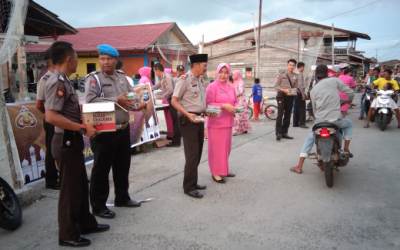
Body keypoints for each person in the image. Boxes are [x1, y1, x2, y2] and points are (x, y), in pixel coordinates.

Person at [44, 41, 109, 247]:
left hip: (71, 140)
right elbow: (51, 116)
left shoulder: (64, 80)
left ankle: (85, 223)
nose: (76, 61)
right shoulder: (56, 82)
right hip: (66, 140)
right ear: (69, 59)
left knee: (80, 185)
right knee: (70, 191)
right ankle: (68, 234)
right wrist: (81, 128)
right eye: (75, 57)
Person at [85, 44, 142, 219]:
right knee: (101, 170)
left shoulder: (122, 78)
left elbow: (131, 96)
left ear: (115, 60)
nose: (106, 62)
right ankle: (99, 206)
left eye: (109, 59)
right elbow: (90, 101)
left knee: (122, 166)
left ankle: (122, 197)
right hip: (104, 132)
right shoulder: (94, 79)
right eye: (102, 58)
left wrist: (137, 103)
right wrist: (115, 100)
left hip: (122, 129)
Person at [290, 64, 354, 174]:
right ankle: (346, 149)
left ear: (316, 75)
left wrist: (318, 118)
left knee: (309, 139)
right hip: (336, 121)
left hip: (320, 122)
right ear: (327, 73)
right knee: (348, 123)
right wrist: (347, 101)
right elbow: (351, 93)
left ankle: (299, 166)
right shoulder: (334, 81)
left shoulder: (313, 90)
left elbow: (314, 109)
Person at [171, 54, 208, 199]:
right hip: (188, 120)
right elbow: (174, 101)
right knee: (192, 155)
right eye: (204, 65)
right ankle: (189, 187)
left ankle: (193, 181)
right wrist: (187, 114)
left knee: (197, 153)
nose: (205, 68)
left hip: (199, 119)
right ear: (197, 65)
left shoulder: (200, 80)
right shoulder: (184, 80)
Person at [206, 63, 237, 183]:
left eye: (226, 72)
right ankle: (215, 172)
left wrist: (236, 108)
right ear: (217, 72)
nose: (223, 75)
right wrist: (223, 106)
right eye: (221, 72)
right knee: (217, 149)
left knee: (226, 149)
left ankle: (223, 169)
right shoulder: (212, 87)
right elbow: (208, 106)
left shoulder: (231, 87)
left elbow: (234, 102)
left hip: (228, 122)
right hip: (216, 124)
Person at [35, 50, 59, 190]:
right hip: (51, 121)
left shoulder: (61, 78)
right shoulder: (45, 80)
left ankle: (68, 176)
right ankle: (51, 180)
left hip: (63, 120)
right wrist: (50, 114)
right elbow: (39, 104)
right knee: (51, 150)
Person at [154, 62, 181, 146]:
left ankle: (176, 142)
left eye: (155, 71)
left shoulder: (167, 77)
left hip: (173, 99)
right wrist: (147, 88)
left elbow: (170, 90)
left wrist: (162, 96)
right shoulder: (162, 78)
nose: (155, 73)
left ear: (158, 70)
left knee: (175, 121)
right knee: (173, 120)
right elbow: (157, 86)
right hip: (170, 99)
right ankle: (174, 139)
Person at [275, 59, 298, 140]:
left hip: (290, 96)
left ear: (295, 66)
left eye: (293, 65)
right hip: (281, 96)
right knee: (280, 115)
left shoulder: (296, 76)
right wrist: (284, 90)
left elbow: (296, 88)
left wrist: (292, 91)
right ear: (287, 65)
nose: (291, 66)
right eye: (290, 65)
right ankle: (278, 133)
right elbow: (276, 86)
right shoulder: (282, 75)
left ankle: (285, 132)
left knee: (288, 115)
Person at [232, 70, 250, 135]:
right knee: (240, 115)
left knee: (239, 115)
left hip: (240, 101)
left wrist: (234, 95)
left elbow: (241, 91)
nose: (233, 76)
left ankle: (237, 130)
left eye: (234, 75)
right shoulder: (234, 82)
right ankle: (244, 129)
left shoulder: (240, 82)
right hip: (236, 100)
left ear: (237, 75)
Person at [293, 62, 308, 128]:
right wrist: (303, 95)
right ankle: (302, 123)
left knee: (296, 108)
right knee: (302, 108)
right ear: (301, 67)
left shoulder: (295, 73)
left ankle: (295, 123)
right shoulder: (300, 74)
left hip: (295, 93)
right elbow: (300, 86)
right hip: (299, 93)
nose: (304, 68)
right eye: (303, 67)